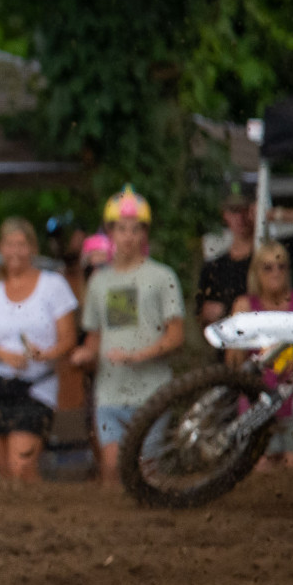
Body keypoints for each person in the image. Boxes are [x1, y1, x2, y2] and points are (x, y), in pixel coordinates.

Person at [71, 187, 186, 488]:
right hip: (110, 393)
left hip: (152, 392)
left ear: (145, 233)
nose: (128, 236)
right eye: (121, 229)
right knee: (111, 468)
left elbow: (176, 336)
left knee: (147, 473)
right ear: (110, 232)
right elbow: (95, 337)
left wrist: (138, 355)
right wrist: (84, 355)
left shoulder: (163, 277)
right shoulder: (99, 282)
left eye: (135, 229)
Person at [0, 216, 79, 484]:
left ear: (32, 248)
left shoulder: (53, 285)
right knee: (5, 470)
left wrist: (46, 354)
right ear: (1, 248)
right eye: (10, 244)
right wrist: (4, 354)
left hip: (36, 385)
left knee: (21, 466)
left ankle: (40, 506)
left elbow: (68, 338)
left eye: (21, 244)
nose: (15, 251)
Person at [229, 242, 293, 467]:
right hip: (256, 399)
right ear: (256, 272)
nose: (275, 272)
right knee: (260, 466)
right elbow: (233, 362)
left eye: (281, 266)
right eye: (267, 267)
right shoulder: (244, 305)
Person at [198, 193, 257, 326]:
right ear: (224, 215)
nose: (241, 217)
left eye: (246, 211)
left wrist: (273, 215)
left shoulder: (270, 262)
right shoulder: (214, 267)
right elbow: (202, 315)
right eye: (235, 211)